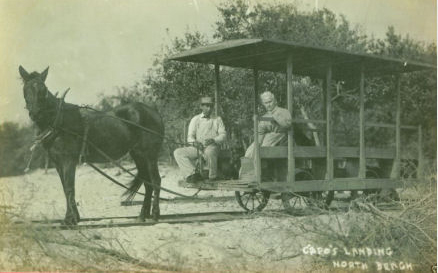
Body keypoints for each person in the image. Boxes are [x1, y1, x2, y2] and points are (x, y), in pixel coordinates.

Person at [174, 96, 226, 183]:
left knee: (210, 152)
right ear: (201, 106)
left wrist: (214, 140)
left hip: (212, 146)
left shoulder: (217, 119)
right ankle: (192, 174)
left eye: (211, 106)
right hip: (197, 148)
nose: (209, 108)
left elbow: (223, 135)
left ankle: (212, 177)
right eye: (207, 106)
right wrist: (194, 143)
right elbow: (190, 137)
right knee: (178, 152)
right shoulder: (195, 119)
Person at [244, 91, 292, 158]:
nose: (268, 105)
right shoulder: (264, 117)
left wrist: (276, 117)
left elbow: (287, 124)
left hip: (281, 137)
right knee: (249, 151)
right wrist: (257, 144)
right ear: (263, 104)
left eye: (270, 102)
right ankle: (250, 166)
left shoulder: (283, 111)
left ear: (275, 101)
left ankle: (257, 164)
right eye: (266, 103)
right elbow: (260, 133)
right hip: (266, 138)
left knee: (262, 150)